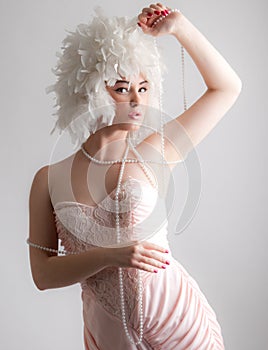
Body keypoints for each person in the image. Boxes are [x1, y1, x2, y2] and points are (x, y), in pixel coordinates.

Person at [28, 3, 241, 349]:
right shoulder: (48, 179)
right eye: (122, 88)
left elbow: (227, 88)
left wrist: (181, 28)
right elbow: (42, 275)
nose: (136, 100)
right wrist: (111, 255)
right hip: (110, 333)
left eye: (143, 88)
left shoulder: (155, 153)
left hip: (180, 325)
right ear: (89, 89)